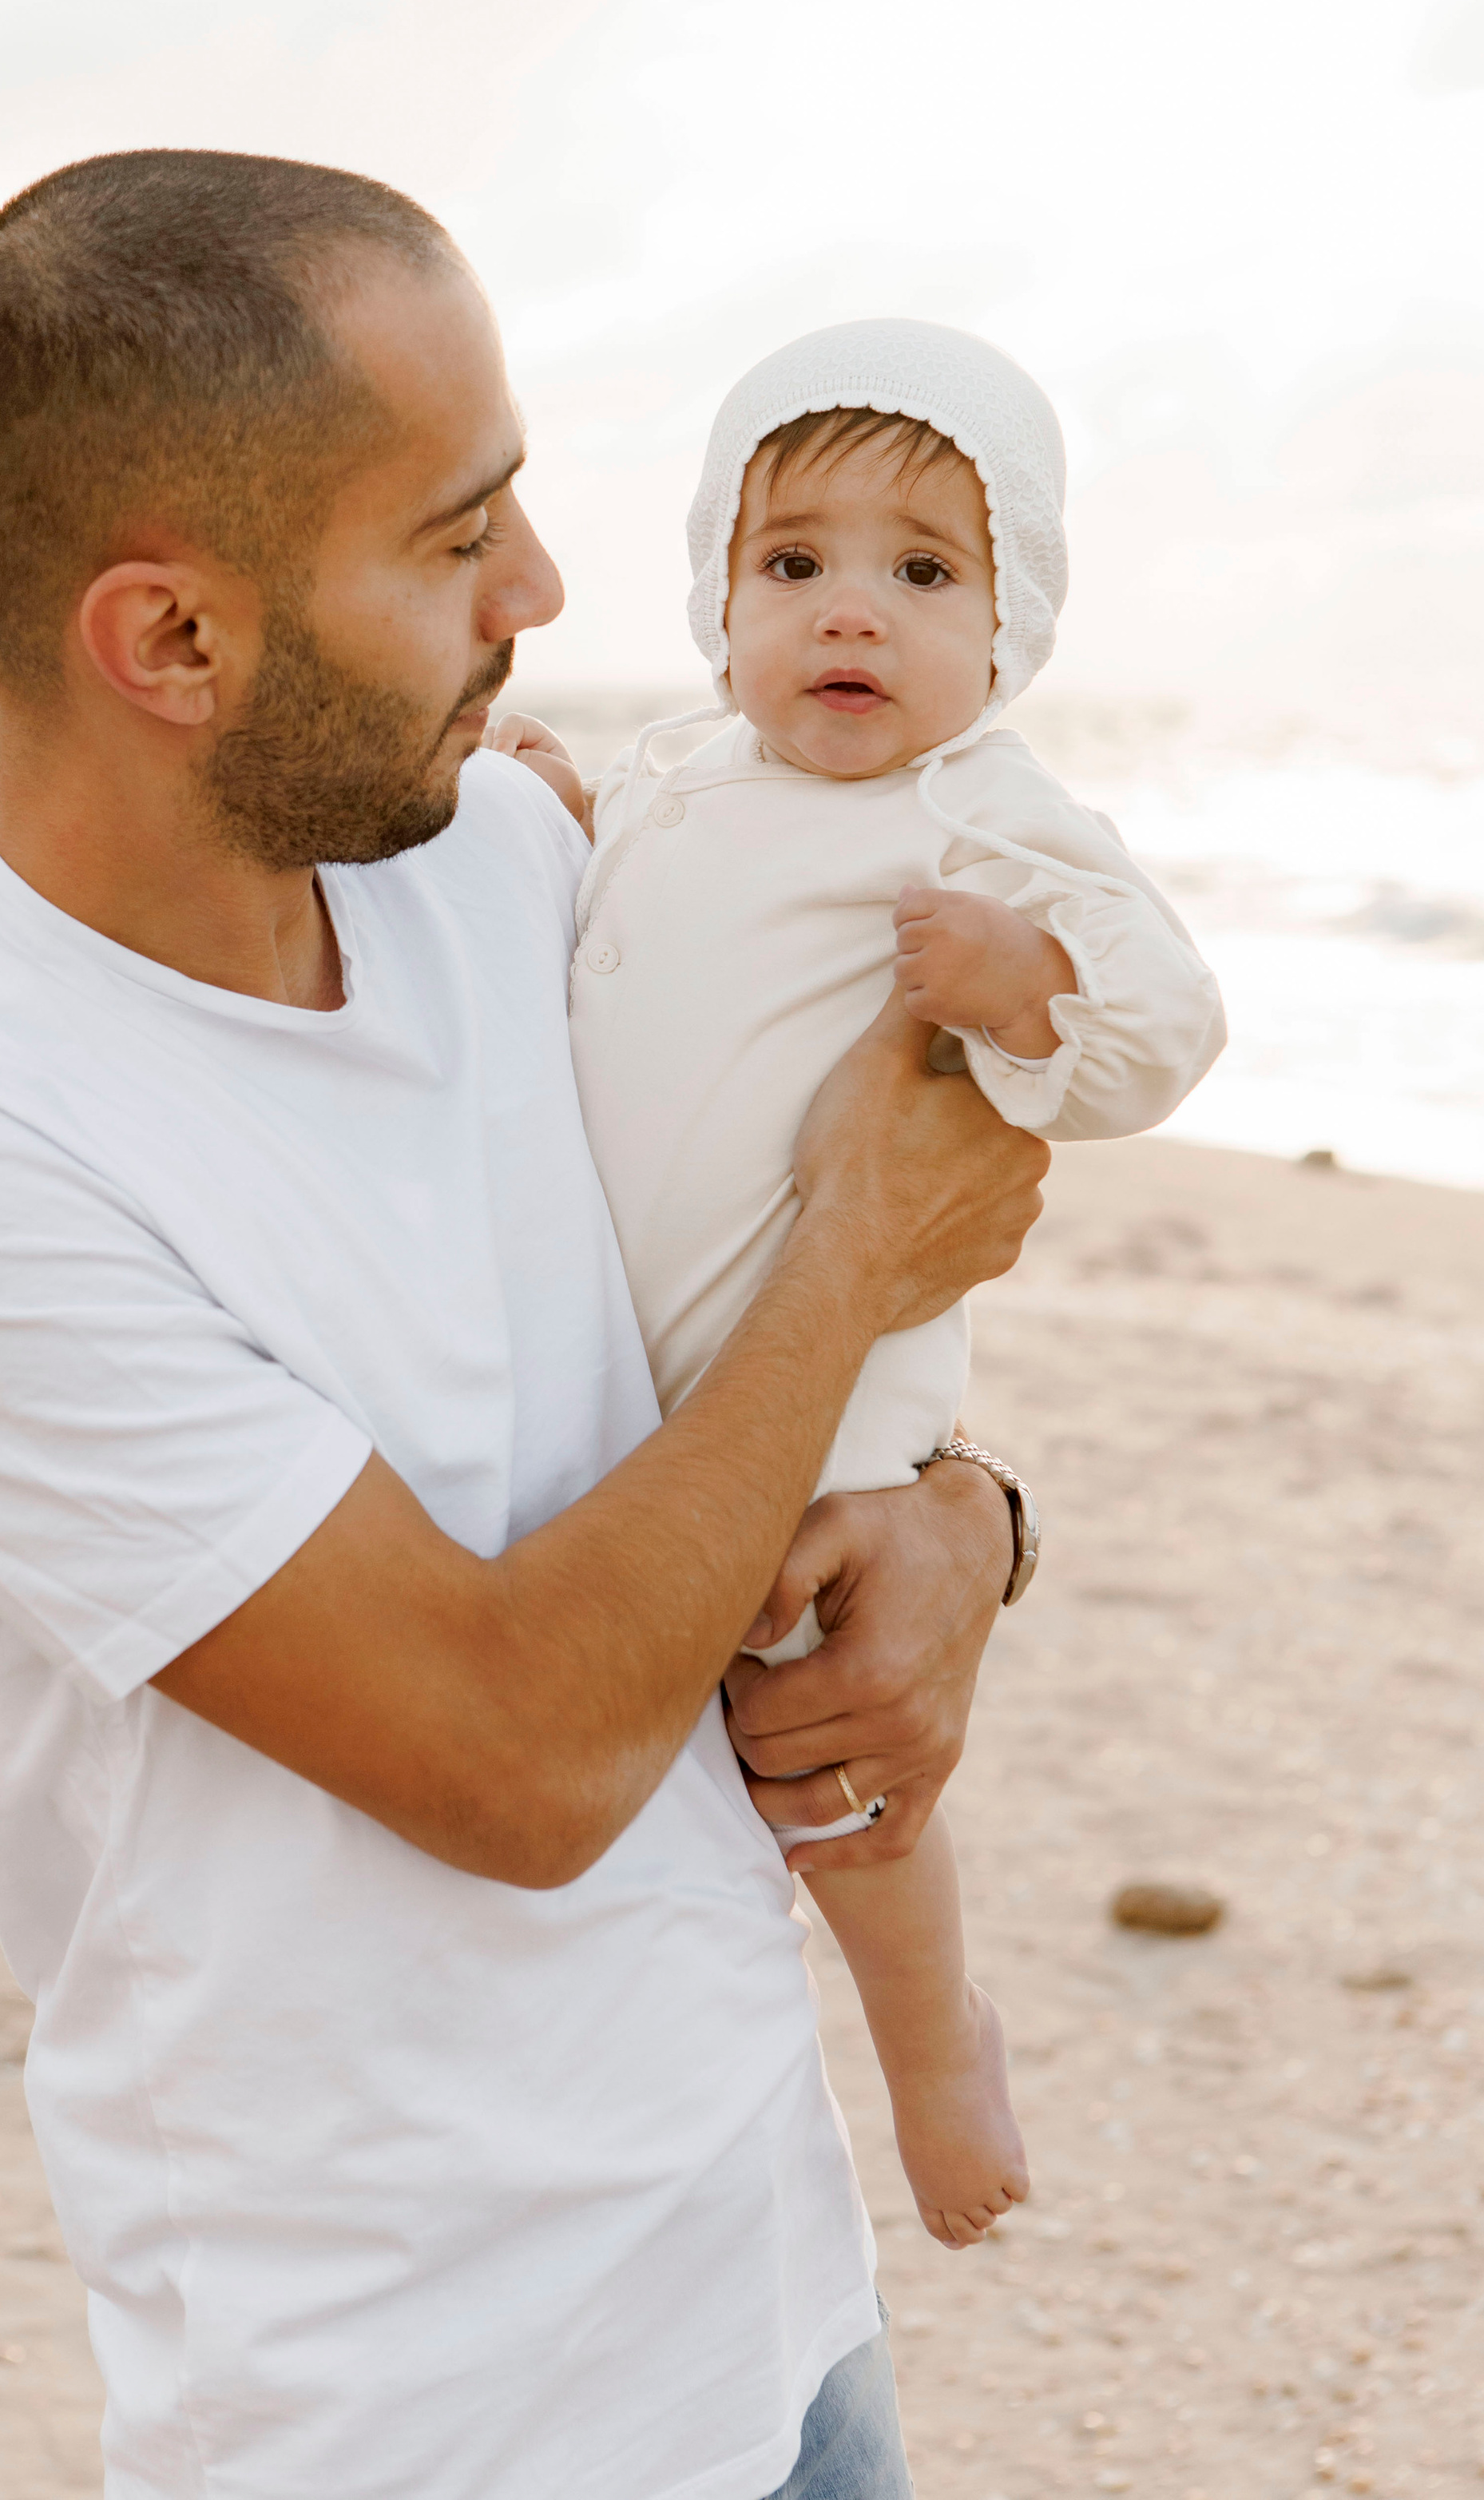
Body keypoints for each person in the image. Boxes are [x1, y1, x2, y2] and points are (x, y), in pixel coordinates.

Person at [0, 153, 1046, 2500]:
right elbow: (517, 1759)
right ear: (174, 644)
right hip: (425, 2420)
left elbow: (730, 1330)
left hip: (768, 2284)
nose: (542, 591)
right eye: (458, 541)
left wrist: (968, 1516)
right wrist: (864, 1244)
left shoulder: (504, 867)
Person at [489, 320, 1226, 2259]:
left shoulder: (984, 819)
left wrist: (1014, 984)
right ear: (719, 602)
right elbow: (609, 966)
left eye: (922, 573)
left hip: (833, 1393)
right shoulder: (667, 785)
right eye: (791, 563)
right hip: (622, 1378)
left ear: (1009, 628)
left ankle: (923, 2045)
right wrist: (558, 821)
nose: (850, 614)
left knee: (828, 1754)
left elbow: (1165, 1030)